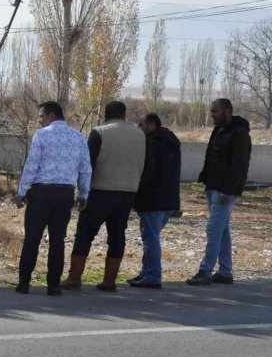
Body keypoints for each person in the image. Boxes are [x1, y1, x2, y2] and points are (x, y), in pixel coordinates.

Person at [61, 100, 148, 292]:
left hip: (100, 191)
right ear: (124, 115)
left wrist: (82, 192)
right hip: (127, 193)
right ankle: (109, 281)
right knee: (117, 236)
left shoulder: (99, 132)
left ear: (105, 115)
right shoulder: (140, 134)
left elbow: (87, 165)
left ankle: (74, 278)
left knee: (84, 234)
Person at [13, 101, 91, 296]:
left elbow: (32, 164)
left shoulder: (42, 135)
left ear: (52, 115)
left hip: (41, 193)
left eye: (41, 116)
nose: (39, 120)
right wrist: (83, 193)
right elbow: (85, 168)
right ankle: (54, 286)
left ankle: (24, 284)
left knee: (32, 239)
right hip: (65, 194)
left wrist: (22, 191)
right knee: (58, 240)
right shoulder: (79, 137)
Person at [186, 99, 252, 286]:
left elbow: (240, 165)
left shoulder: (239, 134)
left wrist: (229, 190)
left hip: (225, 191)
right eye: (212, 111)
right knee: (222, 230)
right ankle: (225, 272)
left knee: (213, 229)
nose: (212, 114)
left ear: (228, 111)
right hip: (213, 187)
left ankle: (205, 271)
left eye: (215, 111)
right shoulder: (220, 129)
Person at [129, 113, 181, 288]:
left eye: (141, 125)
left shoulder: (151, 145)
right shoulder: (171, 142)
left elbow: (147, 174)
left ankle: (152, 274)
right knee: (150, 237)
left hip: (152, 199)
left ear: (151, 126)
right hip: (167, 199)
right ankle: (146, 271)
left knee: (150, 238)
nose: (139, 128)